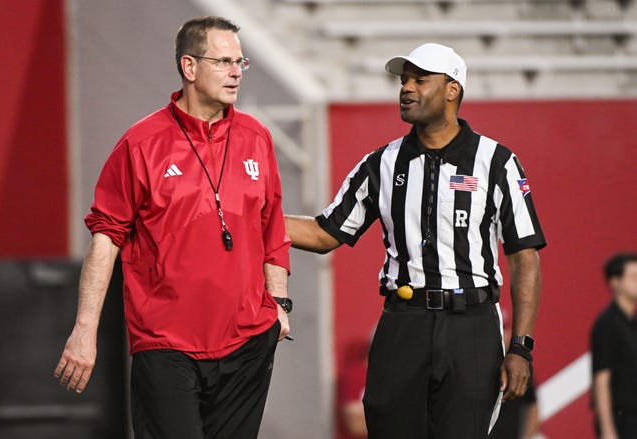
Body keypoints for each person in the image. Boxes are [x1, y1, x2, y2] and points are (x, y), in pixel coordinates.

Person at [285, 42, 546, 438]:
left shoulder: (496, 162)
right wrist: (253, 219)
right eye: (403, 80)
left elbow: (524, 257)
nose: (406, 88)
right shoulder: (382, 162)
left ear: (452, 89)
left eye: (420, 79)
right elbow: (326, 232)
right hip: (403, 322)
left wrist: (521, 347)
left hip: (471, 326)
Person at [54, 16, 292, 439]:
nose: (237, 72)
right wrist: (84, 331)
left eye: (241, 62)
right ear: (189, 67)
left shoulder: (257, 137)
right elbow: (106, 238)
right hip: (165, 346)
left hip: (248, 342)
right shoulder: (140, 143)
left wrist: (280, 304)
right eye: (224, 61)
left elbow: (271, 226)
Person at [591, 253, 637, 438]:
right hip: (622, 419)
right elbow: (601, 379)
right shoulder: (607, 324)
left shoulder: (632, 324)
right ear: (615, 282)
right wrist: (608, 430)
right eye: (633, 277)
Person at [489, 307, 540, 439]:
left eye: (504, 329)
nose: (501, 334)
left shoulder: (519, 366)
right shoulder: (478, 365)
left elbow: (532, 405)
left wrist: (526, 436)